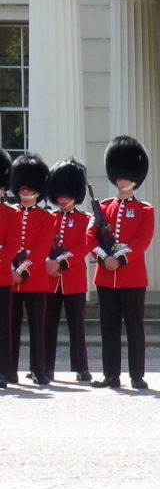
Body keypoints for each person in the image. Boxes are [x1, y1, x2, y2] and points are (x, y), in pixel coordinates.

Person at [88, 135, 155, 390]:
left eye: (126, 174)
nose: (122, 178)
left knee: (134, 329)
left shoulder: (145, 210)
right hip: (106, 276)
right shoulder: (104, 208)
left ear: (135, 177)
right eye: (119, 174)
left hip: (132, 277)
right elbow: (90, 236)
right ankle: (110, 375)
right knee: (109, 328)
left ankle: (137, 375)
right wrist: (104, 257)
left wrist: (120, 258)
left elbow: (143, 240)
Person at [43, 159, 93, 383]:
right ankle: (45, 367)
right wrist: (47, 262)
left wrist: (62, 263)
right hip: (50, 280)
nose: (62, 199)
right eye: (59, 194)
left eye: (66, 194)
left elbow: (84, 246)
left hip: (73, 280)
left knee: (77, 327)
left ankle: (81, 368)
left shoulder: (85, 220)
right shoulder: (49, 218)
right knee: (47, 325)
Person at [9, 153, 55, 385]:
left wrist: (22, 271)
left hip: (34, 279)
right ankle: (9, 369)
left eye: (30, 187)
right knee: (9, 328)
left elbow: (42, 249)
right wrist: (10, 269)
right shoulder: (8, 213)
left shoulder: (47, 217)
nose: (25, 191)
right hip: (9, 279)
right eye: (22, 187)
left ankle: (39, 369)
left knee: (38, 327)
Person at [0, 150, 20, 388]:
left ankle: (3, 371)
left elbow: (13, 245)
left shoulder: (10, 214)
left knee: (2, 327)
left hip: (2, 277)